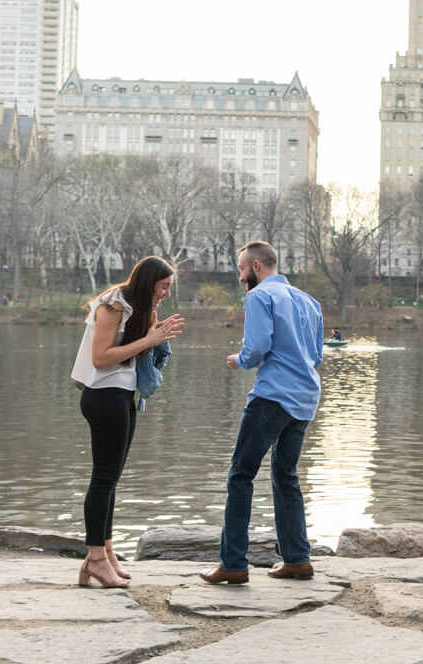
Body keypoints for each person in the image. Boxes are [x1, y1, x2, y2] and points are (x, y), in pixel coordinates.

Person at [202, 241, 324, 585]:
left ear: (256, 266)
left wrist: (240, 360)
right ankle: (298, 559)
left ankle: (233, 564)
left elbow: (257, 348)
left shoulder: (259, 296)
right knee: (286, 475)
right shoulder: (309, 301)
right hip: (305, 398)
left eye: (242, 270)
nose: (241, 277)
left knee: (240, 475)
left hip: (273, 396)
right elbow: (316, 356)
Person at [71, 256, 184, 588]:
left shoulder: (139, 308)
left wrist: (154, 336)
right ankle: (95, 559)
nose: (166, 294)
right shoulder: (114, 305)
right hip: (103, 396)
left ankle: (104, 554)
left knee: (111, 480)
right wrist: (148, 340)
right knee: (103, 478)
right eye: (164, 286)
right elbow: (100, 358)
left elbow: (132, 355)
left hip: (121, 395)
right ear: (149, 282)